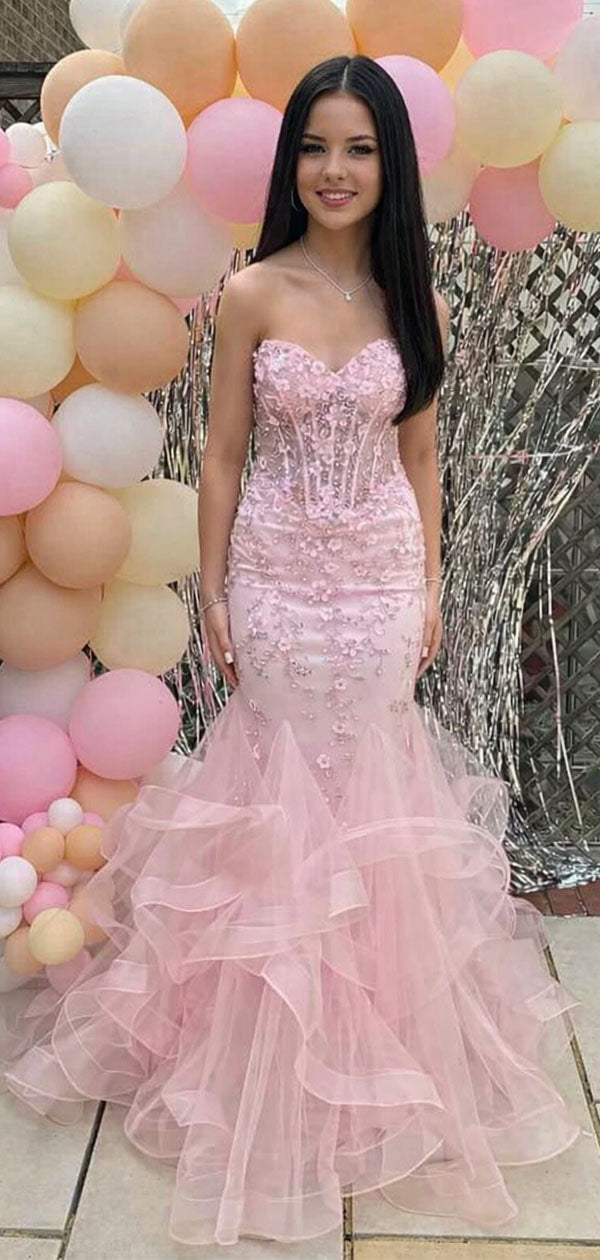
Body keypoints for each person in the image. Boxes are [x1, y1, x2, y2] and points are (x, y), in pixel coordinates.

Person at [1, 55, 583, 1250]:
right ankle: (257, 1047)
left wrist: (429, 585)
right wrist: (215, 587)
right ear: (291, 163)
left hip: (377, 577)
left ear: (390, 164)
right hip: (272, 573)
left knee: (371, 785)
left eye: (359, 147)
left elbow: (422, 462)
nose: (335, 168)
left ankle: (375, 1041)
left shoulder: (417, 304)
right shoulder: (251, 290)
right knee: (273, 782)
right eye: (316, 146)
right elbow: (220, 455)